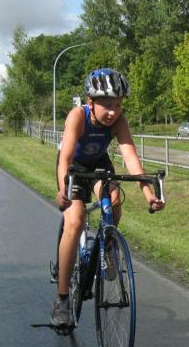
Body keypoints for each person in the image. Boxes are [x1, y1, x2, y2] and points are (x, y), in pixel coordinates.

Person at [50, 68, 164, 329]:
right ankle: (62, 299)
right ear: (90, 102)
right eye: (108, 105)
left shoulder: (119, 121)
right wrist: (63, 188)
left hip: (99, 165)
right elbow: (65, 157)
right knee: (75, 221)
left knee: (113, 200)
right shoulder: (78, 116)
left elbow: (130, 157)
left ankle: (108, 246)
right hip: (74, 168)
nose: (113, 112)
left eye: (118, 105)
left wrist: (148, 194)